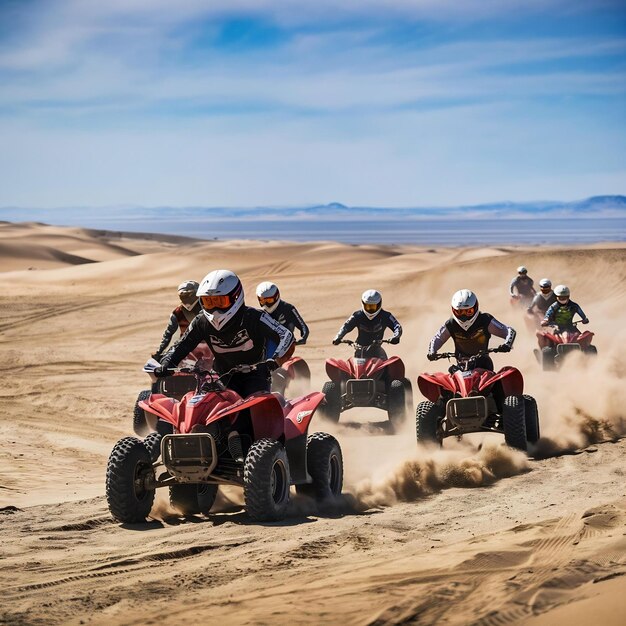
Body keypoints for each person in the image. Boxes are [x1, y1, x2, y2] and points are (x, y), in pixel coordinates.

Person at [155, 270, 294, 398]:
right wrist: (167, 362)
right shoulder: (201, 321)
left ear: (236, 297)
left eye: (220, 302)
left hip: (255, 376)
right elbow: (182, 344)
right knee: (203, 408)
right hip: (221, 377)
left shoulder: (256, 317)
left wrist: (273, 361)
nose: (214, 309)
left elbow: (286, 336)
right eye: (208, 302)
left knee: (254, 407)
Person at [427, 289, 516, 370]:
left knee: (503, 376)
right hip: (461, 366)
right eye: (459, 312)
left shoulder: (485, 320)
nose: (464, 316)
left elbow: (509, 331)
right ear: (453, 310)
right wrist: (432, 352)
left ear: (475, 307)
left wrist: (507, 344)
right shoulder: (451, 324)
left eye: (468, 311)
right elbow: (438, 338)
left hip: (483, 364)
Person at [332, 289, 402, 359]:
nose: (370, 309)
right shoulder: (357, 315)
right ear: (363, 304)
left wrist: (396, 337)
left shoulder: (385, 316)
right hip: (359, 349)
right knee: (353, 367)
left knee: (388, 365)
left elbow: (397, 326)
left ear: (379, 304)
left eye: (373, 306)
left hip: (377, 349)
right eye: (368, 306)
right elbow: (346, 327)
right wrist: (338, 337)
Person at [152, 280, 201, 361]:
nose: (185, 298)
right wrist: (159, 353)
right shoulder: (177, 313)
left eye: (189, 294)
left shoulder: (208, 308)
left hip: (210, 349)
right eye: (182, 295)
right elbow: (168, 335)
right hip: (187, 350)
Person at [256, 281, 309, 346]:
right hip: (266, 347)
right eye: (262, 300)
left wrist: (303, 337)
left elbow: (303, 326)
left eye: (269, 300)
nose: (266, 304)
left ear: (276, 296)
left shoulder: (288, 308)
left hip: (285, 348)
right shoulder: (260, 313)